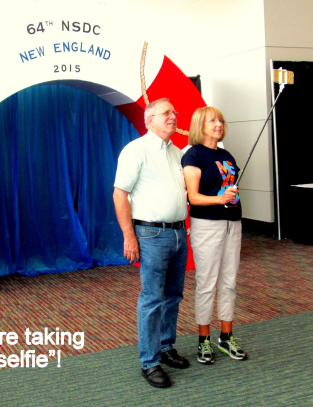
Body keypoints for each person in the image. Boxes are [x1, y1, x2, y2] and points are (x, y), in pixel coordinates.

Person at [113, 98, 189, 388]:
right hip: (151, 235)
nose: (173, 116)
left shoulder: (177, 152)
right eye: (167, 112)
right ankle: (149, 362)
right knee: (152, 299)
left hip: (179, 233)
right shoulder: (136, 150)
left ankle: (166, 347)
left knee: (173, 295)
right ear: (150, 119)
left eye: (174, 112)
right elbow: (120, 194)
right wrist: (129, 236)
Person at [181, 106, 248, 366]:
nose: (218, 124)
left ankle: (226, 337)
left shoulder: (226, 155)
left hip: (233, 223)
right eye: (212, 120)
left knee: (229, 282)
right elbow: (193, 197)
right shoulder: (193, 154)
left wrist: (227, 199)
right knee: (207, 283)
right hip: (207, 225)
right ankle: (204, 340)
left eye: (220, 120)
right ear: (200, 125)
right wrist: (220, 199)